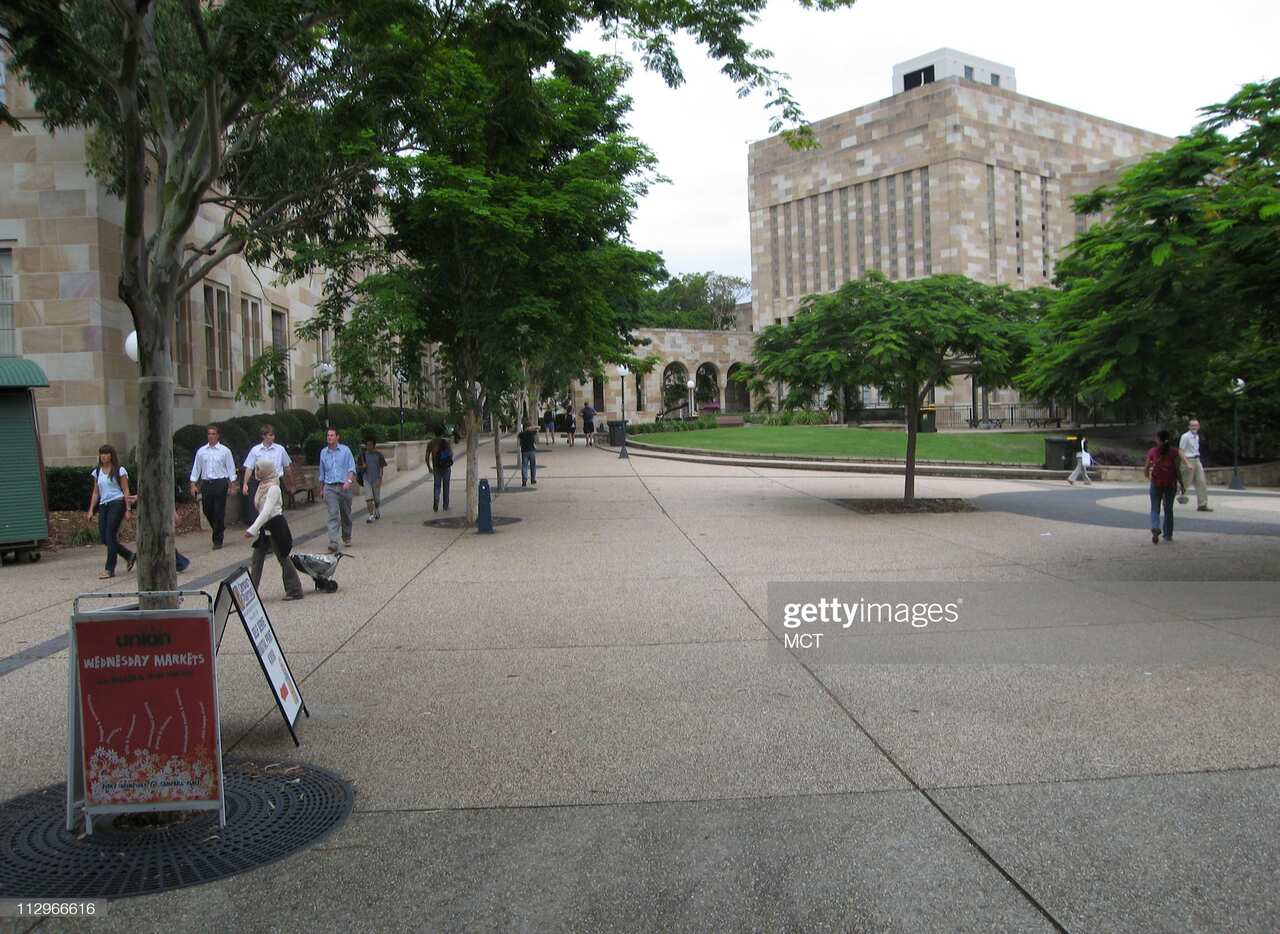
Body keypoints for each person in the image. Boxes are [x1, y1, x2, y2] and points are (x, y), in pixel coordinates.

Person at [243, 461, 304, 600]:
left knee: (283, 557)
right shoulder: (261, 486)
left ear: (266, 470)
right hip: (265, 529)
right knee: (256, 559)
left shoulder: (274, 488)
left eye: (259, 469)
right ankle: (251, 594)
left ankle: (295, 590)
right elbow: (260, 510)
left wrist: (252, 529)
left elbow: (267, 511)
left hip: (276, 526)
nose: (257, 472)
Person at [86, 445, 135, 580]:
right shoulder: (97, 472)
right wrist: (91, 510)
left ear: (111, 455)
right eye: (101, 454)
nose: (104, 456)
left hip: (117, 503)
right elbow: (96, 492)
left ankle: (109, 569)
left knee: (110, 534)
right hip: (104, 505)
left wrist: (128, 509)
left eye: (106, 454)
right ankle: (129, 555)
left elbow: (126, 490)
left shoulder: (119, 470)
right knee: (105, 538)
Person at [188, 423, 236, 549]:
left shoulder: (225, 451)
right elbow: (196, 469)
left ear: (218, 436)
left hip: (220, 483)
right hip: (207, 484)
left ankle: (217, 540)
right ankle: (219, 527)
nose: (211, 436)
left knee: (219, 511)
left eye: (213, 434)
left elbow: (231, 469)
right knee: (207, 509)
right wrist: (193, 484)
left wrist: (232, 485)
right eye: (209, 434)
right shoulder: (201, 452)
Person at [1145, 429, 1188, 545]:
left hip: (1156, 482)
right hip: (1170, 483)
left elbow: (1147, 466)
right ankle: (1168, 534)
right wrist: (1182, 484)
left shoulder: (1153, 451)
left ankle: (1155, 527)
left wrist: (1146, 475)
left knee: (1155, 508)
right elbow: (1178, 470)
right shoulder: (1174, 452)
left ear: (1158, 439)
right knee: (1168, 509)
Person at [241, 423, 291, 522]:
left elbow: (287, 467)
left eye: (273, 435)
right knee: (260, 507)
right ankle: (262, 531)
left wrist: (290, 482)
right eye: (270, 435)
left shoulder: (280, 449)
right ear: (263, 436)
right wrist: (245, 483)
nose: (272, 438)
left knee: (274, 508)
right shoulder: (255, 450)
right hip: (261, 483)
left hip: (275, 481)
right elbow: (249, 468)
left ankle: (275, 529)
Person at [319, 427, 356, 552]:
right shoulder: (323, 453)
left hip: (344, 486)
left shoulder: (345, 451)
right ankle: (333, 541)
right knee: (333, 514)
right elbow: (322, 472)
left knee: (345, 513)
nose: (329, 437)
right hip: (330, 487)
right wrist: (322, 488)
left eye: (332, 435)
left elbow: (351, 468)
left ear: (337, 437)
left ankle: (346, 536)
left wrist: (349, 481)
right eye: (328, 435)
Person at [1179, 418, 1211, 512]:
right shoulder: (1185, 436)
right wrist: (1187, 463)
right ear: (1189, 427)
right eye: (1192, 425)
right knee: (1184, 484)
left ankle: (1202, 504)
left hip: (1197, 460)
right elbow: (1180, 451)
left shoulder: (1197, 436)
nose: (1194, 427)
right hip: (1188, 460)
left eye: (1195, 425)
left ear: (1198, 426)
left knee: (1201, 482)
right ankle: (1167, 498)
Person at [357, 437, 388, 523]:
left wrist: (380, 479)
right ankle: (371, 515)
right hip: (366, 479)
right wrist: (362, 467)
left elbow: (381, 467)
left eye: (370, 445)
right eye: (367, 445)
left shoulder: (379, 455)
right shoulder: (362, 456)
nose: (368, 446)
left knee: (377, 500)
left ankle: (377, 508)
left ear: (374, 445)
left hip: (376, 479)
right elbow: (358, 467)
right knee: (368, 499)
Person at [427, 430, 454, 512]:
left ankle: (436, 500)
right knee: (446, 486)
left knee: (437, 485)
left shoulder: (431, 443)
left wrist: (429, 467)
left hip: (436, 467)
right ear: (441, 433)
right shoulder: (445, 442)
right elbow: (451, 454)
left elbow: (426, 457)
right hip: (446, 467)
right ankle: (446, 506)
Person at [517, 422, 538, 486]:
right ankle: (533, 479)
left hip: (524, 452)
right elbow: (538, 428)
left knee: (524, 466)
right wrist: (532, 428)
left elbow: (518, 436)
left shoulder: (522, 434)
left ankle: (524, 480)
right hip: (531, 451)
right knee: (533, 466)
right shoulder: (532, 433)